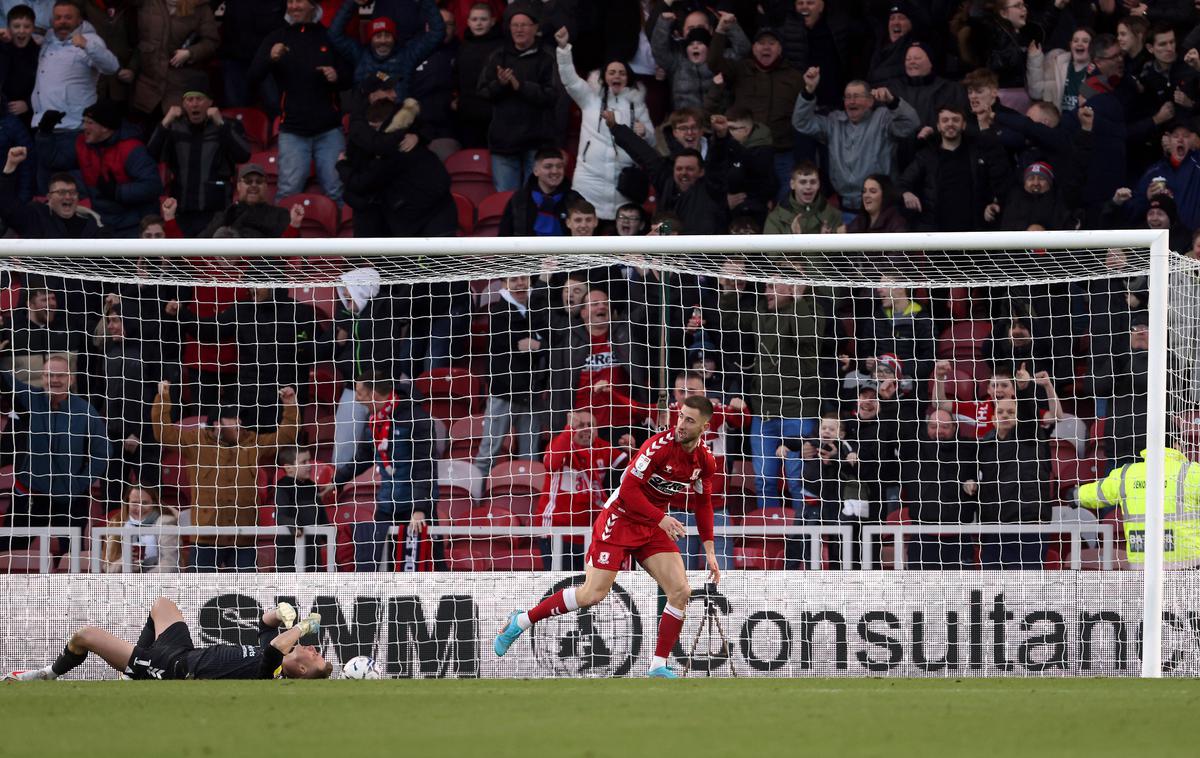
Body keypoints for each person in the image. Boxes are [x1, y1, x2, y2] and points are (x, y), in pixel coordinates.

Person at [494, 396, 720, 679]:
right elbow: (628, 491)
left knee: (680, 591)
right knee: (593, 594)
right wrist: (661, 518)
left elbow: (704, 504)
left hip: (651, 526)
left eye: (689, 420)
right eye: (680, 416)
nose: (681, 424)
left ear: (705, 426)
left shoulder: (705, 461)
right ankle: (521, 621)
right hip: (621, 518)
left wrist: (710, 551)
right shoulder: (658, 447)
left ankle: (658, 665)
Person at [152, 380, 299, 572]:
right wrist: (163, 398)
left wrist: (290, 405)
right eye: (232, 418)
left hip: (243, 537)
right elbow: (162, 432)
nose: (238, 422)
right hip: (206, 538)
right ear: (217, 423)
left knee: (244, 597)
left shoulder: (252, 442)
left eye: (239, 418)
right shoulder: (195, 442)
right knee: (201, 595)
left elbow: (286, 436)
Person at [6, 598, 330, 681]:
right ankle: (132, 672)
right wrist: (280, 612)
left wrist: (302, 626)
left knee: (86, 636)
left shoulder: (269, 671)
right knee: (162, 605)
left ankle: (48, 674)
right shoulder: (271, 653)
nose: (313, 649)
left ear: (299, 671)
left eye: (314, 657)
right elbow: (265, 625)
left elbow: (274, 646)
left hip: (171, 666)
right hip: (183, 650)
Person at [0, 354, 110, 551]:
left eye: (60, 375)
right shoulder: (29, 399)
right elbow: (5, 380)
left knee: (71, 556)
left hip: (70, 498)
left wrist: (79, 483)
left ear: (71, 378)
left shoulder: (86, 411)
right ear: (42, 377)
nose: (54, 380)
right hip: (30, 495)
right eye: (49, 375)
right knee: (9, 548)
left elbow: (102, 453)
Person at [247, 0, 351, 203]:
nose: (293, 6)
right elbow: (252, 78)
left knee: (337, 192)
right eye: (290, 2)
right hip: (293, 131)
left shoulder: (329, 36)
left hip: (329, 130)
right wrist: (269, 58)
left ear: (313, 6)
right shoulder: (277, 37)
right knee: (287, 192)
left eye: (299, 1)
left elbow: (351, 77)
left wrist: (337, 76)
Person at [335, 372, 437, 572]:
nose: (357, 399)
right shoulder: (374, 419)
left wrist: (419, 509)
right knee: (384, 568)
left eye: (361, 394)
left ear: (375, 394)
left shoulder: (417, 418)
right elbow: (365, 454)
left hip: (414, 510)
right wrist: (337, 479)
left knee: (418, 569)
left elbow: (425, 465)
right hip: (386, 506)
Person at [792, 67, 919, 221]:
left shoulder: (883, 118)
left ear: (871, 101)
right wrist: (808, 91)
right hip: (845, 209)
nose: (851, 101)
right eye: (847, 97)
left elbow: (911, 124)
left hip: (880, 209)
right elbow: (801, 122)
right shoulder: (834, 121)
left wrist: (892, 102)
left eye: (857, 96)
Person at [555, 26, 654, 221]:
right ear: (604, 76)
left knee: (620, 246)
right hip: (589, 183)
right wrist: (564, 48)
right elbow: (570, 80)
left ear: (627, 78)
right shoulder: (589, 98)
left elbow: (650, 142)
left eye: (621, 73)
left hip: (623, 187)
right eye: (612, 72)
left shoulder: (637, 104)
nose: (616, 76)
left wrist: (646, 133)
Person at [146, 78, 253, 237]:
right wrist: (165, 122)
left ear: (210, 102)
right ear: (184, 104)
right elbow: (151, 155)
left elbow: (244, 155)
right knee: (184, 260)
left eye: (199, 99)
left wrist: (221, 124)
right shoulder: (175, 127)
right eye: (190, 99)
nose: (194, 104)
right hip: (182, 209)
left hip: (217, 212)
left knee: (211, 260)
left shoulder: (226, 125)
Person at [30, 1, 118, 193]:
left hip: (74, 130)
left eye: (68, 17)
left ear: (79, 20)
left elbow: (112, 67)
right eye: (58, 18)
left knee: (74, 193)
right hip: (44, 129)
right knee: (46, 193)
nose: (62, 22)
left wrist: (87, 46)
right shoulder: (47, 40)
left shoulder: (91, 40)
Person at [1075, 443, 1200, 569]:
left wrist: (1076, 494)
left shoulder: (1127, 473)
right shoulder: (1192, 472)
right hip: (1188, 563)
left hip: (1142, 563)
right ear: (1176, 445)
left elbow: (1096, 493)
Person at [539, 409, 633, 570]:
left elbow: (631, 464)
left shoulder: (600, 447)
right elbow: (551, 463)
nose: (586, 429)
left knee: (586, 588)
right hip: (556, 532)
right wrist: (569, 429)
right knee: (561, 585)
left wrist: (631, 447)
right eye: (580, 425)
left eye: (591, 425)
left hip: (589, 534)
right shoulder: (560, 444)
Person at [478, 5, 558, 191]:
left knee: (534, 201)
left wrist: (520, 86)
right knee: (506, 202)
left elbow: (552, 96)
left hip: (536, 142)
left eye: (524, 25)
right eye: (515, 25)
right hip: (504, 142)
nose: (519, 29)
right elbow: (482, 92)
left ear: (535, 28)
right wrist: (501, 84)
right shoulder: (497, 56)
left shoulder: (546, 57)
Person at [476, 274, 549, 475]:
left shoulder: (537, 308)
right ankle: (476, 500)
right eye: (513, 279)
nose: (519, 283)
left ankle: (530, 501)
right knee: (489, 453)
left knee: (530, 456)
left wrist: (539, 345)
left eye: (523, 278)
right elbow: (519, 343)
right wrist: (540, 344)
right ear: (504, 285)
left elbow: (549, 341)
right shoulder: (499, 312)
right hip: (503, 394)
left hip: (531, 393)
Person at [899, 105, 1010, 232]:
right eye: (945, 120)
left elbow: (999, 178)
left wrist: (993, 203)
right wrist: (906, 193)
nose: (950, 124)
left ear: (963, 125)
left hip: (973, 233)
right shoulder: (926, 156)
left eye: (956, 120)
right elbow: (903, 183)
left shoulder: (978, 153)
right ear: (938, 126)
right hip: (936, 234)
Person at [74, 99, 163, 237]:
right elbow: (54, 159)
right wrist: (45, 134)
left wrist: (118, 192)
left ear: (105, 127)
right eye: (84, 121)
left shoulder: (131, 148)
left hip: (134, 225)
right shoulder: (82, 143)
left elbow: (153, 185)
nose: (83, 127)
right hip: (102, 223)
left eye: (90, 123)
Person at [328, 0, 444, 98]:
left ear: (394, 39)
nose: (383, 41)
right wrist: (352, 3)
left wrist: (426, 1)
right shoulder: (360, 54)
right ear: (370, 39)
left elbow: (437, 33)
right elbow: (334, 34)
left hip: (396, 116)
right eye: (378, 36)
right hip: (363, 114)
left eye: (387, 36)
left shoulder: (407, 55)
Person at [129, 0, 220, 121]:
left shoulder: (200, 8)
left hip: (179, 84)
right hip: (148, 85)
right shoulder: (148, 3)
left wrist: (190, 53)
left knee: (175, 131)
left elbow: (211, 41)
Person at [274, 446, 333, 572]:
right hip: (290, 553)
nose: (309, 465)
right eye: (303, 462)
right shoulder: (283, 487)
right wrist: (294, 525)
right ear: (288, 468)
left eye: (309, 461)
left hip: (312, 551)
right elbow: (281, 516)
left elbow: (321, 517)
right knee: (291, 590)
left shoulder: (312, 487)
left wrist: (331, 537)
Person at [497, 147, 579, 236]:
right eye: (548, 166)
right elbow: (504, 236)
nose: (555, 171)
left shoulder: (574, 200)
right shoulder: (519, 199)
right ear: (536, 171)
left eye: (559, 166)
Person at [100, 485, 180, 574]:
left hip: (156, 583)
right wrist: (123, 561)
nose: (140, 508)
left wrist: (143, 580)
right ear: (127, 503)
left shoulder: (165, 522)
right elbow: (107, 568)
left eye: (145, 503)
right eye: (135, 503)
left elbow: (171, 563)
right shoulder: (117, 522)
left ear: (154, 503)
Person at [764, 161, 843, 234]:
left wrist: (826, 242)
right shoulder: (775, 219)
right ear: (792, 184)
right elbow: (768, 248)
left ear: (819, 184)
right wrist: (794, 239)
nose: (808, 187)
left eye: (813, 182)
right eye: (803, 182)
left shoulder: (834, 216)